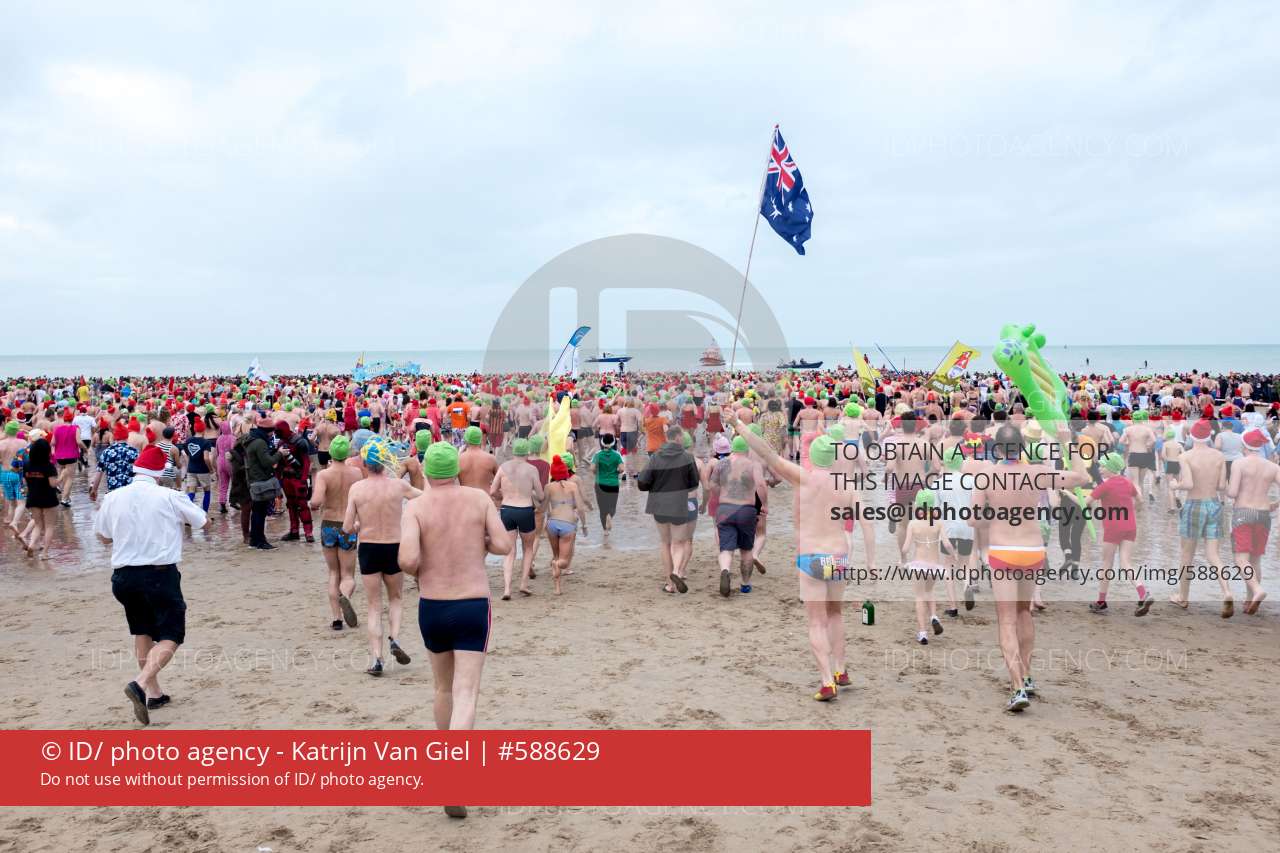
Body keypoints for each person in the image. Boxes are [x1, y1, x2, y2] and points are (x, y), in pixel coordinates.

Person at [398, 442, 510, 820]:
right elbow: (503, 544)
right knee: (466, 692)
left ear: (428, 473)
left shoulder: (416, 507)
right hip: (472, 603)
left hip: (432, 605)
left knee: (442, 688)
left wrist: (423, 562)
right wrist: (479, 543)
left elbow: (408, 560)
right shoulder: (478, 500)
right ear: (456, 472)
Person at [733, 418, 856, 701]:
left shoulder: (803, 477)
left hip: (811, 556)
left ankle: (827, 682)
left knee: (816, 622)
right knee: (836, 614)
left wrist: (739, 425)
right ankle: (841, 669)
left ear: (813, 456)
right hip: (838, 556)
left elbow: (768, 454)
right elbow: (858, 525)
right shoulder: (846, 485)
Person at [970, 422, 1089, 712]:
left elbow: (973, 519)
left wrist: (997, 516)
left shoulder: (986, 476)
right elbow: (1082, 477)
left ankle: (1017, 687)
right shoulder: (1037, 473)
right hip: (1032, 550)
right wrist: (1066, 441)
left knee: (1006, 619)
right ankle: (1027, 674)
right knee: (1024, 611)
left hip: (1003, 551)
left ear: (997, 449)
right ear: (1022, 447)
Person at [95, 444, 207, 725]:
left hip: (123, 577)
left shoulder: (113, 497)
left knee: (142, 629)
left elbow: (103, 537)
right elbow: (202, 521)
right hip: (159, 574)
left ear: (136, 470)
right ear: (159, 473)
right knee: (172, 634)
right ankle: (141, 682)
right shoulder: (169, 495)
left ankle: (154, 693)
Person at [342, 437, 422, 675]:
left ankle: (377, 659)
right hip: (394, 546)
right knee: (395, 598)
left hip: (369, 548)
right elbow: (423, 496)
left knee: (374, 606)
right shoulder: (398, 486)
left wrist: (358, 525)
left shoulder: (357, 489)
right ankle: (394, 638)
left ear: (365, 464)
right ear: (385, 461)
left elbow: (346, 527)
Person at [1169, 419, 1231, 616]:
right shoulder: (1219, 456)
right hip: (1214, 504)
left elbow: (1188, 484)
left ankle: (1183, 597)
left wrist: (1175, 486)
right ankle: (1227, 592)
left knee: (1187, 555)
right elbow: (1222, 486)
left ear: (1191, 436)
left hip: (1194, 505)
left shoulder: (1185, 456)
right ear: (1210, 436)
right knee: (1213, 555)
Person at [1087, 453, 1154, 616]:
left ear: (1111, 468)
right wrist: (1133, 511)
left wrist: (1067, 494)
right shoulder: (1127, 482)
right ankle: (1142, 592)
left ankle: (1101, 602)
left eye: (1103, 466)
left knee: (1106, 564)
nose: (1100, 469)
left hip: (1113, 528)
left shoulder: (1105, 486)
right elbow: (1140, 500)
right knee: (1126, 563)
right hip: (1130, 526)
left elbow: (1085, 503)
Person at [638, 424, 700, 595]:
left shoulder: (656, 457)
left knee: (665, 543)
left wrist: (655, 486)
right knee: (678, 542)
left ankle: (669, 584)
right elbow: (694, 484)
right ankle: (676, 572)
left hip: (659, 504)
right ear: (679, 438)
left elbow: (642, 482)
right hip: (679, 504)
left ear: (667, 438)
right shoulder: (687, 457)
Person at [309, 435, 362, 631]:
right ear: (347, 453)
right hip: (349, 525)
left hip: (329, 525)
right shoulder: (356, 473)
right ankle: (345, 596)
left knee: (333, 572)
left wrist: (311, 504)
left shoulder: (324, 475)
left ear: (330, 452)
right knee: (347, 575)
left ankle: (336, 619)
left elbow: (316, 501)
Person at [708, 435, 768, 596]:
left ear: (733, 448)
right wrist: (764, 504)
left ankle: (725, 569)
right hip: (746, 509)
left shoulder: (721, 463)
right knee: (746, 550)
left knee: (726, 549)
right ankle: (745, 584)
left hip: (725, 509)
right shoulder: (753, 464)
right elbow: (761, 485)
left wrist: (722, 494)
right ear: (747, 448)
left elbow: (712, 484)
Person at [1226, 428, 1277, 615]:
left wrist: (1225, 487)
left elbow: (1232, 493)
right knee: (1256, 559)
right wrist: (1275, 504)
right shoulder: (1273, 467)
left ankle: (1257, 590)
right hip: (1263, 514)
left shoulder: (1239, 463)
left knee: (1241, 559)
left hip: (1243, 512)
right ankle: (1249, 600)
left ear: (1244, 445)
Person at [489, 437, 543, 600]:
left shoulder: (503, 467)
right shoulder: (532, 469)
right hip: (525, 510)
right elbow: (541, 495)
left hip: (507, 510)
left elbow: (492, 491)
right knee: (528, 548)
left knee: (510, 550)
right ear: (527, 452)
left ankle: (507, 589)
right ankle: (523, 584)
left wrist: (504, 496)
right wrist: (530, 494)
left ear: (513, 452)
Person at [903, 489, 955, 644]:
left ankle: (923, 633)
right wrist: (953, 555)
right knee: (930, 592)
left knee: (919, 596)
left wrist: (903, 559)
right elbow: (947, 543)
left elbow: (905, 548)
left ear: (918, 505)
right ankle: (933, 616)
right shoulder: (938, 523)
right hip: (934, 566)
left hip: (918, 566)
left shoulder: (913, 524)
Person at [243, 415, 290, 550]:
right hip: (260, 480)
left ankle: (254, 540)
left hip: (253, 479)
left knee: (256, 512)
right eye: (271, 431)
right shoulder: (260, 442)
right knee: (260, 512)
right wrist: (280, 453)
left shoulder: (252, 438)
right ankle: (260, 541)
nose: (272, 434)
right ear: (267, 431)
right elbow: (268, 462)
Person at [545, 455, 587, 595]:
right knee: (564, 562)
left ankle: (557, 588)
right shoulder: (573, 486)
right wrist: (584, 525)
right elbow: (580, 508)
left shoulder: (548, 487)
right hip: (568, 524)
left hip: (552, 524)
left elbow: (543, 507)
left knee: (556, 556)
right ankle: (557, 564)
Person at [17, 435, 59, 558]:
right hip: (48, 499)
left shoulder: (27, 465)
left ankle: (31, 545)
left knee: (38, 524)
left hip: (33, 498)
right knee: (49, 526)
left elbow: (25, 481)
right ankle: (44, 553)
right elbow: (53, 484)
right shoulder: (49, 466)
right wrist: (62, 477)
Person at [275, 420, 314, 543]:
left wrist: (303, 479)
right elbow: (280, 464)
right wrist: (278, 481)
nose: (276, 434)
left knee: (302, 505)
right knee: (291, 505)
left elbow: (306, 462)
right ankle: (294, 531)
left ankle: (308, 532)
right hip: (287, 478)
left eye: (278, 431)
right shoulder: (281, 442)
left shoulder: (300, 441)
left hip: (298, 478)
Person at [589, 433, 623, 546]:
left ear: (602, 442)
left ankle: (605, 531)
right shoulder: (617, 455)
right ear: (613, 442)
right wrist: (616, 472)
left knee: (602, 508)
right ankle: (610, 516)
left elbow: (592, 468)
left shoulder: (597, 455)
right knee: (612, 506)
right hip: (613, 484)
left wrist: (597, 473)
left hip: (600, 484)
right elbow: (622, 469)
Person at [179, 418, 215, 512]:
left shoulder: (188, 441)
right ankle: (204, 513)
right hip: (203, 470)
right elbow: (206, 458)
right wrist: (211, 469)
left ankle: (187, 513)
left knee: (191, 492)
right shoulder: (206, 442)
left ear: (194, 429)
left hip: (191, 470)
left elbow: (186, 455)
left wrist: (189, 465)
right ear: (203, 429)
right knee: (207, 491)